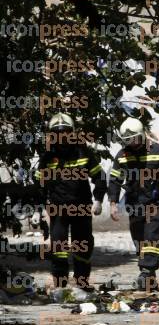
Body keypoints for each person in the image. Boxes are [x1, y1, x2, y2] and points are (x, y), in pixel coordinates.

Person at [108, 117, 159, 290]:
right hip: (134, 204)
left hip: (157, 203)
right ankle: (148, 275)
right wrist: (113, 203)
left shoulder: (158, 151)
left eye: (134, 140)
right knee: (139, 239)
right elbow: (114, 180)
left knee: (152, 236)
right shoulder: (123, 155)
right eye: (129, 141)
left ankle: (147, 270)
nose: (132, 144)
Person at [35, 113, 106, 289]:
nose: (62, 136)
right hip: (58, 210)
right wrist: (39, 209)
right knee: (58, 246)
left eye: (65, 132)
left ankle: (82, 281)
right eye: (57, 133)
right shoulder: (48, 158)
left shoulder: (83, 152)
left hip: (81, 208)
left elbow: (100, 177)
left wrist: (98, 200)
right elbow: (39, 186)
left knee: (83, 245)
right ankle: (60, 284)